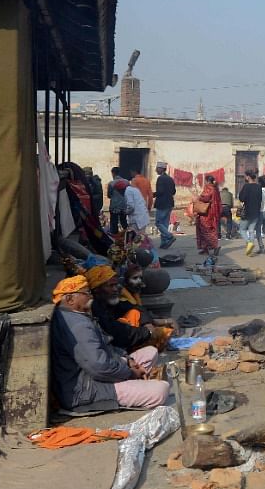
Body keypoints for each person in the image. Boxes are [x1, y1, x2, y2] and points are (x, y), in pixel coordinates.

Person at [50, 276, 170, 412]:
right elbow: (99, 367)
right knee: (161, 390)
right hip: (86, 392)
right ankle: (133, 387)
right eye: (86, 293)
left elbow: (105, 345)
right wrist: (130, 373)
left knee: (150, 352)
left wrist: (127, 360)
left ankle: (134, 384)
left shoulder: (77, 315)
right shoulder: (78, 325)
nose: (91, 297)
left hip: (99, 374)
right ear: (70, 299)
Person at [85, 265, 171, 353]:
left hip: (127, 338)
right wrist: (148, 332)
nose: (115, 289)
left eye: (115, 285)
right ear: (96, 290)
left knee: (135, 312)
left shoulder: (109, 300)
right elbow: (118, 332)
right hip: (113, 349)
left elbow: (136, 307)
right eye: (110, 286)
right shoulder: (95, 308)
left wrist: (147, 323)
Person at [196, 175, 222, 266]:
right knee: (210, 230)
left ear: (207, 181)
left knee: (206, 230)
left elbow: (205, 197)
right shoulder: (216, 188)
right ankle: (206, 248)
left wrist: (198, 197)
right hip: (213, 213)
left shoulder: (209, 188)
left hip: (207, 213)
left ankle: (214, 247)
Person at [237, 168, 264, 256]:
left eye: (245, 176)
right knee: (251, 230)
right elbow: (260, 199)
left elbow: (241, 198)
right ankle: (250, 250)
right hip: (256, 212)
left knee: (242, 229)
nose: (245, 177)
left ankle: (249, 243)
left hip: (247, 211)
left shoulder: (246, 186)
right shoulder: (259, 187)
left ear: (248, 177)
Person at [154, 162, 176, 249]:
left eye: (157, 168)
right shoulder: (170, 179)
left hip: (162, 203)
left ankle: (169, 236)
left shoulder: (161, 178)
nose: (156, 170)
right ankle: (164, 243)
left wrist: (153, 194)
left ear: (161, 169)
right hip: (170, 203)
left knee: (158, 223)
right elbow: (174, 191)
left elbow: (160, 191)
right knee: (165, 224)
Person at [107, 167, 128, 235]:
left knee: (114, 223)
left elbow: (109, 195)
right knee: (124, 222)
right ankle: (128, 236)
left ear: (113, 173)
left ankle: (115, 238)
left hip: (114, 206)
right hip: (124, 206)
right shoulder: (127, 182)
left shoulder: (111, 183)